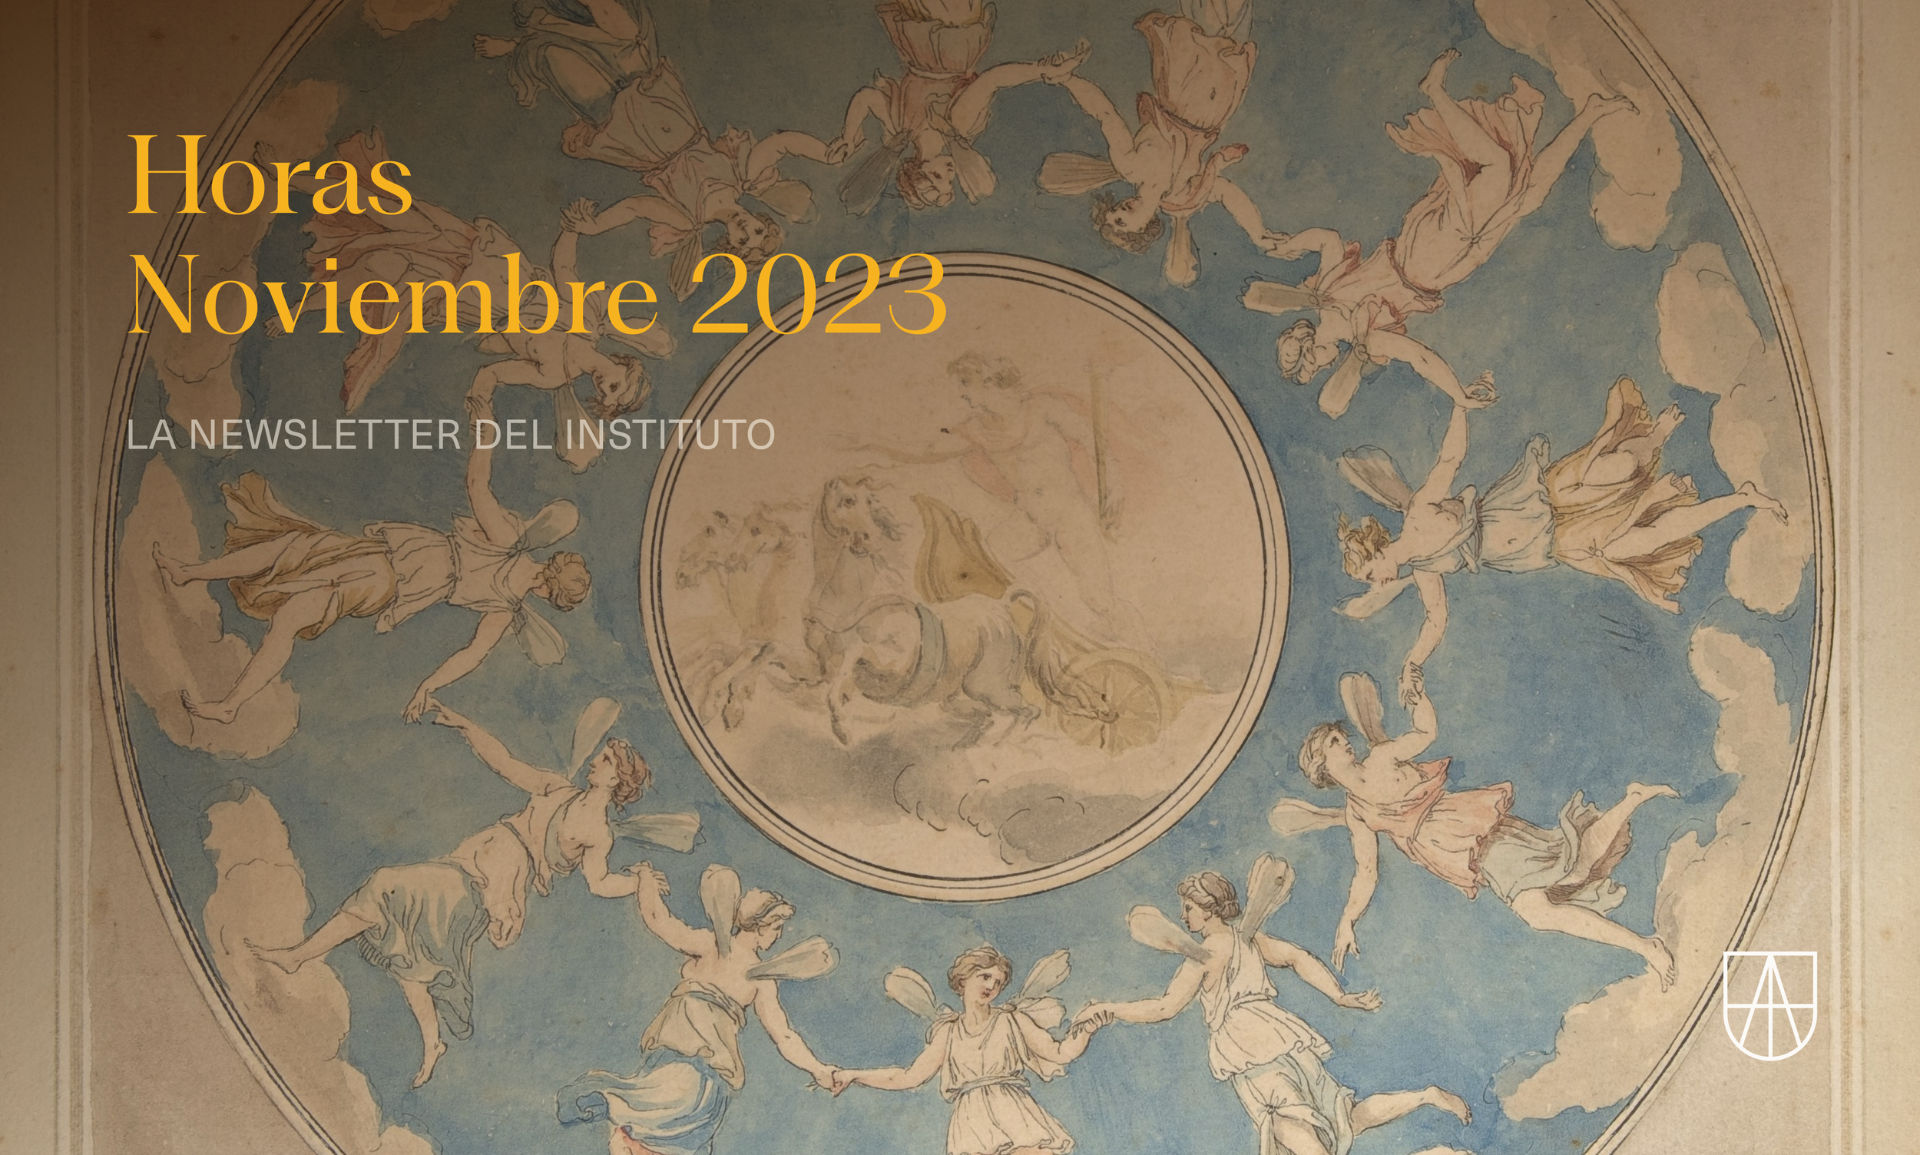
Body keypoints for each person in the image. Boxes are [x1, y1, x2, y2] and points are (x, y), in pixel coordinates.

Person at [253, 699, 697, 1088]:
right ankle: (431, 1042)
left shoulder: (598, 833)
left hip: (491, 882)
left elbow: (598, 883)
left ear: (617, 778)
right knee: (412, 955)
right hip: (472, 856)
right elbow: (505, 762)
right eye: (600, 754)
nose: (595, 761)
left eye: (605, 760)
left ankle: (300, 956)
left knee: (386, 888)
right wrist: (465, 725)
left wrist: (637, 881)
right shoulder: (557, 788)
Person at [1242, 49, 1633, 417]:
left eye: (1316, 368)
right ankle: (1591, 112)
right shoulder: (1346, 316)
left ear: (1312, 352)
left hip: (1424, 260)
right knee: (1523, 198)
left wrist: (1458, 394)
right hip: (1437, 266)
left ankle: (1435, 91)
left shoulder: (1346, 316)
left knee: (1498, 167)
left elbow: (1419, 356)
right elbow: (1328, 240)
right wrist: (1291, 246)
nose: (1327, 368)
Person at [1332, 378, 1787, 693]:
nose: (1377, 584)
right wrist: (1413, 663)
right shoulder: (1424, 570)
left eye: (1370, 574)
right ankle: (1741, 499)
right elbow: (1436, 620)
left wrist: (1461, 406)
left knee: (1618, 467)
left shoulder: (1417, 515)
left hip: (1528, 499)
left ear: (1375, 548)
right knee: (1638, 543)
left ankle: (1654, 438)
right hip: (1546, 543)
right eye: (1370, 583)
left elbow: (1449, 461)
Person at [154, 399, 590, 724]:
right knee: (293, 550)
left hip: (388, 573)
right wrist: (428, 686)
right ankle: (189, 575)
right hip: (387, 567)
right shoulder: (506, 605)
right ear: (549, 595)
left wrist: (486, 433)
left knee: (291, 595)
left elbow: (477, 485)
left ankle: (229, 701)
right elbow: (471, 655)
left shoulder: (510, 543)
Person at [1280, 669, 1678, 988]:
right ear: (1322, 765)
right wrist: (1348, 919)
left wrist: (1419, 698)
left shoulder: (1381, 758)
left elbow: (1424, 734)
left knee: (1545, 903)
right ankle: (1632, 802)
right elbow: (1366, 871)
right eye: (1334, 742)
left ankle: (1648, 946)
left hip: (1470, 831)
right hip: (1460, 855)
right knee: (1567, 875)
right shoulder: (1357, 813)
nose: (1345, 742)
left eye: (1341, 736)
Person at [1073, 857, 1472, 1155]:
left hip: (1247, 1049)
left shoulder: (1205, 955)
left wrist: (1110, 1010)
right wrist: (1338, 996)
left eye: (1189, 908)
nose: (1183, 916)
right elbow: (1297, 957)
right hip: (1284, 1037)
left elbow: (1165, 1007)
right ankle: (1425, 1096)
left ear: (1208, 908)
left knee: (1289, 1126)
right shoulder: (1250, 940)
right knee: (1347, 1116)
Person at [478, 0, 844, 298]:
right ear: (763, 220)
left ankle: (520, 45)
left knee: (554, 59)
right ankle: (532, 33)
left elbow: (637, 207)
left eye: (743, 240)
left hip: (623, 133)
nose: (747, 230)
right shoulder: (743, 177)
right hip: (659, 98)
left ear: (728, 244)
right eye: (759, 231)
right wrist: (825, 153)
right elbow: (781, 143)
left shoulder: (687, 219)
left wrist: (595, 226)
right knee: (625, 30)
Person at [557, 864, 840, 1155]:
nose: (778, 936)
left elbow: (784, 1035)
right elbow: (661, 921)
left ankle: (629, 1129)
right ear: (761, 925)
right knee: (672, 1101)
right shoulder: (712, 945)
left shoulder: (762, 978)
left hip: (710, 1066)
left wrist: (818, 1068)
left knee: (689, 1122)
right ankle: (610, 1104)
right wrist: (646, 882)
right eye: (777, 928)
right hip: (685, 1046)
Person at [1038, 0, 1276, 286]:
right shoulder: (1180, 198)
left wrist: (1067, 80)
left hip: (1181, 81)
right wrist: (1259, 233)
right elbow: (1226, 192)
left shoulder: (1129, 166)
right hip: (1216, 103)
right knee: (1237, 19)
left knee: (1206, 13)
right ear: (1143, 229)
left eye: (1112, 213)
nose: (1118, 211)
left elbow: (1104, 113)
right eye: (1121, 222)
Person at [832, 946, 1102, 1155]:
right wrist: (853, 1075)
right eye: (985, 977)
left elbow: (1059, 1053)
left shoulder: (1012, 1019)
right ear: (963, 980)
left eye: (998, 982)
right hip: (973, 1122)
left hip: (1014, 1111)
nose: (991, 987)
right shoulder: (948, 1032)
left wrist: (1087, 1030)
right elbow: (908, 1077)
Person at [466, 198, 671, 472]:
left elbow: (491, 374)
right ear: (625, 364)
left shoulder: (553, 377)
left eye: (604, 397)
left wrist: (482, 411)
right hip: (504, 272)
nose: (602, 389)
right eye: (614, 387)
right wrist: (572, 229)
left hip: (476, 304)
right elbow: (564, 268)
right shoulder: (587, 319)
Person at [832, 0, 1089, 214]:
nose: (949, 173)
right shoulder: (957, 128)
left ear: (914, 168)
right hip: (954, 34)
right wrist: (1042, 70)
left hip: (922, 34)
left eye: (937, 177)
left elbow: (867, 97)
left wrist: (848, 136)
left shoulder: (900, 131)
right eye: (950, 180)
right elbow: (992, 80)